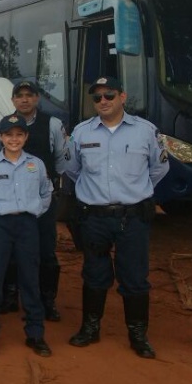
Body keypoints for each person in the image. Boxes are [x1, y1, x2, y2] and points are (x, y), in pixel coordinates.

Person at [65, 76, 169, 359]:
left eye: (109, 95)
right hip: (94, 217)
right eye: (97, 97)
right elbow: (72, 169)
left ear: (122, 97)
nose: (103, 101)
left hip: (133, 217)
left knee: (134, 277)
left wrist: (135, 191)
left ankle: (138, 334)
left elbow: (159, 168)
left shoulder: (145, 131)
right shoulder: (82, 132)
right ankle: (90, 327)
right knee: (94, 274)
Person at [0, 115, 54, 357]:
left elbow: (46, 192)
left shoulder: (36, 165)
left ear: (26, 137)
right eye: (9, 135)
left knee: (30, 278)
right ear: (1, 138)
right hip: (0, 225)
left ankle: (35, 334)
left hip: (28, 225)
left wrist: (35, 211)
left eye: (19, 134)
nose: (14, 139)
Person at [0, 81, 68, 320]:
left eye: (29, 95)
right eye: (19, 95)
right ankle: (10, 296)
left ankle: (46, 301)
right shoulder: (1, 125)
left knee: (45, 251)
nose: (24, 99)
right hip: (11, 202)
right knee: (9, 253)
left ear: (37, 99)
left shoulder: (52, 124)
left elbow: (61, 160)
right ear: (13, 100)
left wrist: (46, 195)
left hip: (41, 202)